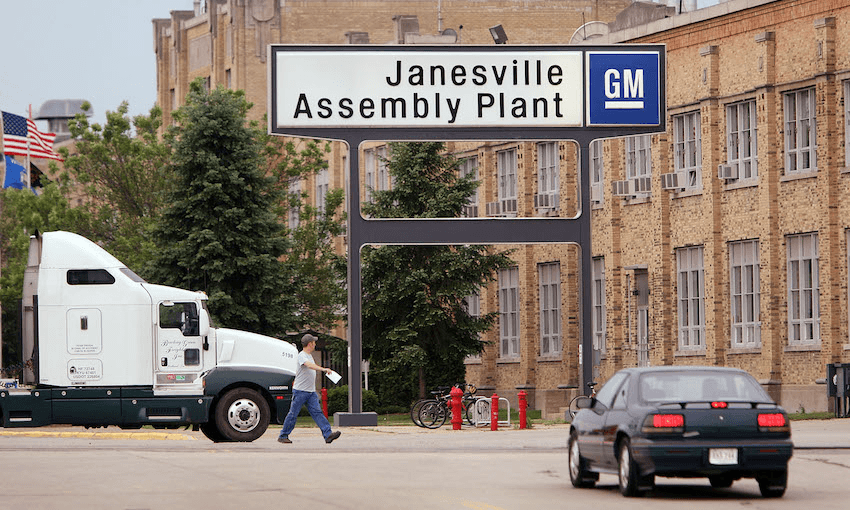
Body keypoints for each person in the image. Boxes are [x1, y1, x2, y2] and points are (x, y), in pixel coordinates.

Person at [278, 333, 342, 444]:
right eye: (314, 342)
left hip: (310, 392)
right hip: (300, 391)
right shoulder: (302, 355)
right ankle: (283, 435)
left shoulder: (309, 355)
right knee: (293, 414)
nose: (315, 344)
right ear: (310, 344)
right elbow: (309, 365)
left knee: (317, 413)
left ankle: (328, 435)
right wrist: (323, 369)